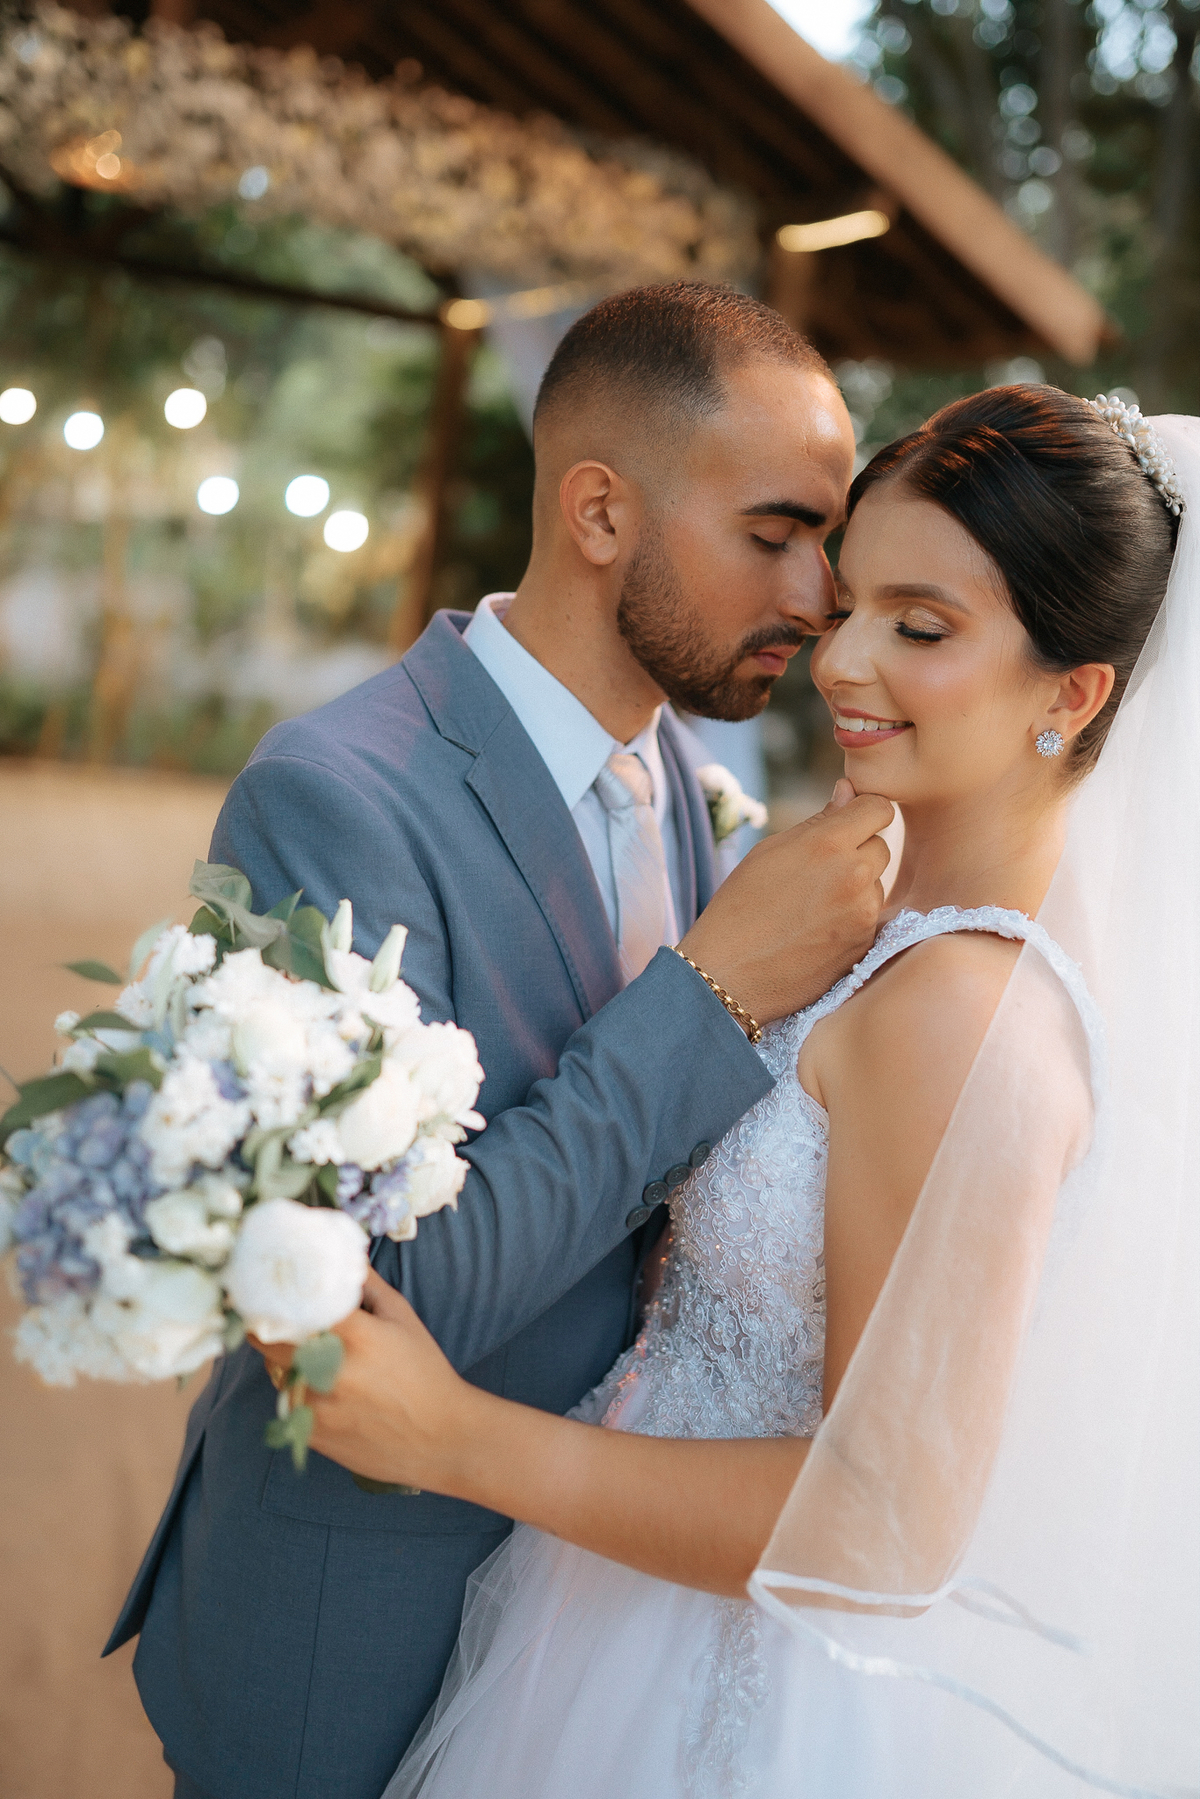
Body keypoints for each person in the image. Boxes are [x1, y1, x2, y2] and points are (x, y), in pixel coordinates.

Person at [254, 387, 1198, 1798]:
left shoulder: (956, 1008)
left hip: (730, 1694)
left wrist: (459, 1439)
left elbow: (886, 1525)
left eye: (922, 629)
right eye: (854, 602)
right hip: (609, 1616)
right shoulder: (853, 912)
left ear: (1073, 693)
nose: (844, 661)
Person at [105, 283, 898, 1799]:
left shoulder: (695, 794)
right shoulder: (335, 797)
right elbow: (378, 1303)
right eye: (775, 533)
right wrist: (715, 994)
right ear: (600, 511)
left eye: (832, 543)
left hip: (596, 1638)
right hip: (361, 1634)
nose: (819, 595)